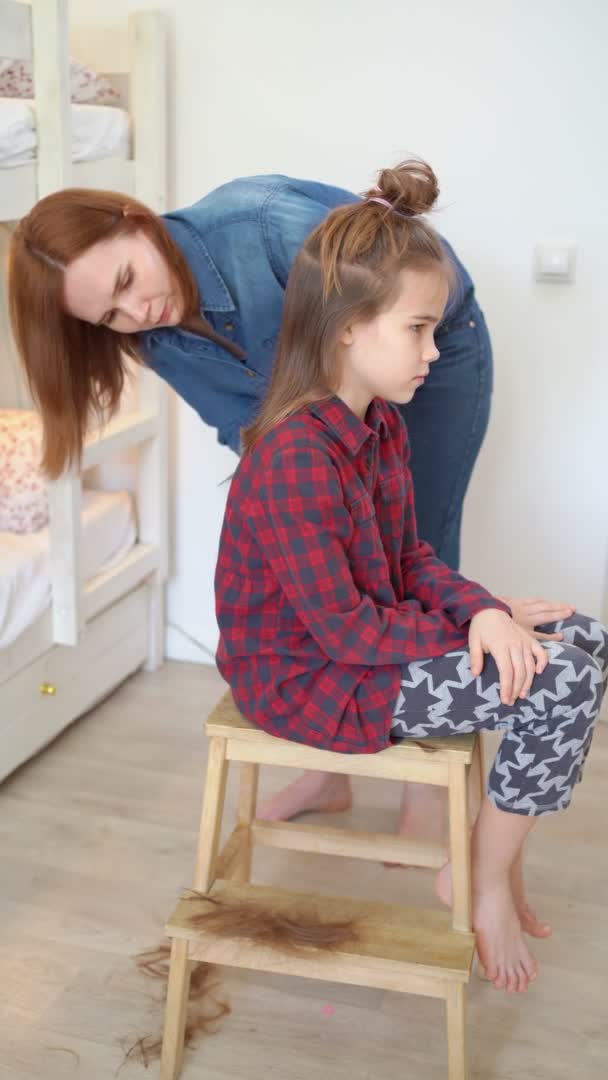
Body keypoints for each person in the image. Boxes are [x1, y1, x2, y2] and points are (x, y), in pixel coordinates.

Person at [5, 167, 565, 846]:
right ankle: (336, 765)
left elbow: (403, 300)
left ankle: (427, 779)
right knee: (354, 569)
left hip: (420, 346)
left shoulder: (264, 229)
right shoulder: (157, 341)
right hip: (318, 470)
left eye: (126, 284)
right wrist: (301, 505)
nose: (137, 316)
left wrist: (485, 611)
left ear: (134, 218)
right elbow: (254, 432)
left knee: (418, 542)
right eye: (109, 318)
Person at [213, 159, 608, 994]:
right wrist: (480, 628)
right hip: (310, 679)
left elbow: (411, 560)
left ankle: (498, 857)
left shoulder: (381, 426)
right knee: (558, 682)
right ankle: (482, 877)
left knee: (584, 638)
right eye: (418, 330)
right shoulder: (295, 457)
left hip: (358, 647)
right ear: (347, 327)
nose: (435, 351)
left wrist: (489, 609)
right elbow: (350, 633)